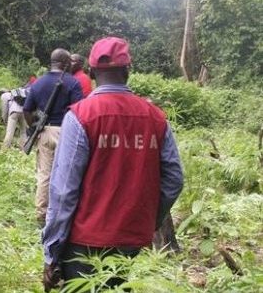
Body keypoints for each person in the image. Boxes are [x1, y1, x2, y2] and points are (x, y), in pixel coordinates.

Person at [41, 37, 184, 291]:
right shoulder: (156, 118)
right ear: (128, 71)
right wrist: (148, 220)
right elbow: (173, 179)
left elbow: (63, 191)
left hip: (83, 243)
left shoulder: (81, 115)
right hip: (130, 241)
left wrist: (51, 253)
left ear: (92, 72)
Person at [23, 49, 83, 225]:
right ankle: (67, 213)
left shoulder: (38, 83)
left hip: (46, 132)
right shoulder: (73, 83)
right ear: (65, 62)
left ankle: (42, 215)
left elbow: (27, 110)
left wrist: (34, 125)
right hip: (67, 132)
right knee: (70, 173)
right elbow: (80, 110)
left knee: (44, 175)